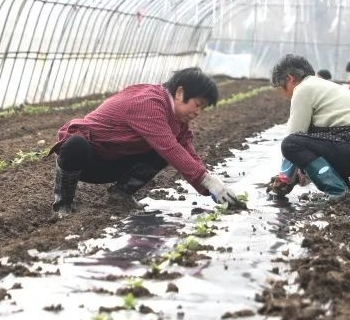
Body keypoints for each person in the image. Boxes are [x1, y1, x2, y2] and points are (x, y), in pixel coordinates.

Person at [49, 67, 242, 214]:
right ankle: (63, 204)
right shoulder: (149, 103)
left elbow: (187, 152)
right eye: (197, 105)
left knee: (165, 152)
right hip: (88, 162)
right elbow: (170, 147)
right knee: (76, 145)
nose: (198, 113)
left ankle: (120, 195)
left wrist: (211, 187)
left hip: (115, 162)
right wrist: (207, 181)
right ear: (180, 93)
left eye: (203, 108)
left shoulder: (176, 120)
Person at [267, 54, 350, 200]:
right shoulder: (324, 86)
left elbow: (294, 137)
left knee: (290, 144)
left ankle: (338, 192)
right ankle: (348, 192)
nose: (283, 95)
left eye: (281, 88)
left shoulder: (303, 89)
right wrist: (299, 175)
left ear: (290, 78)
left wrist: (285, 178)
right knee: (313, 139)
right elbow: (318, 151)